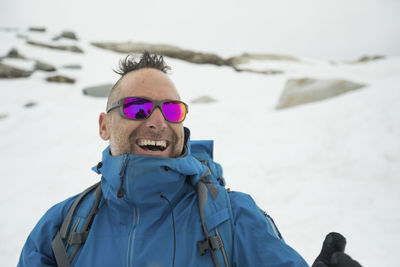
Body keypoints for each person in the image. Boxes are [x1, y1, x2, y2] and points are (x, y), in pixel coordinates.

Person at [18, 52, 360, 267]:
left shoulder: (232, 218)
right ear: (104, 125)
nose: (157, 121)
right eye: (137, 107)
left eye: (170, 109)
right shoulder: (61, 227)